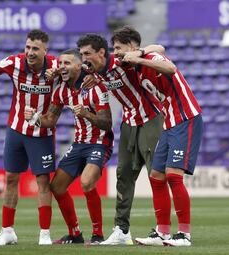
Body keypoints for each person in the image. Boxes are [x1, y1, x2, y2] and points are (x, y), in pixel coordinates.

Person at [77, 33, 165, 245]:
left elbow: (159, 48)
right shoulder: (94, 71)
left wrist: (138, 53)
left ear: (101, 53)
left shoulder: (122, 61)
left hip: (151, 118)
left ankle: (164, 230)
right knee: (123, 176)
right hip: (128, 123)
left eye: (87, 53)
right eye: (81, 54)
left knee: (157, 175)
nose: (84, 58)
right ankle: (121, 231)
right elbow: (71, 71)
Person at [119, 26, 203, 247]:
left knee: (174, 175)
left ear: (131, 46)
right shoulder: (134, 66)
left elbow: (170, 67)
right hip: (169, 122)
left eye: (119, 48)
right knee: (156, 176)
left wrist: (141, 57)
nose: (117, 52)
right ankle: (162, 232)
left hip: (185, 117)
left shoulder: (150, 57)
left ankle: (184, 235)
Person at [0, 29, 59, 246]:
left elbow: (79, 76)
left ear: (45, 51)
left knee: (42, 181)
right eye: (28, 47)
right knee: (11, 178)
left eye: (35, 49)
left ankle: (44, 234)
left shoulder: (56, 66)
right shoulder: (14, 63)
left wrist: (59, 75)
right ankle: (7, 231)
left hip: (41, 133)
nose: (30, 52)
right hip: (16, 130)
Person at [24, 49, 113, 245]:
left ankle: (98, 235)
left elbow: (107, 124)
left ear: (79, 66)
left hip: (99, 143)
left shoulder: (95, 87)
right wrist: (36, 118)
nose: (62, 66)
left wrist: (87, 114)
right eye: (60, 63)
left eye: (67, 63)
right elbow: (51, 120)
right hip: (79, 144)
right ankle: (75, 234)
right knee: (57, 186)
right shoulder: (61, 90)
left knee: (87, 181)